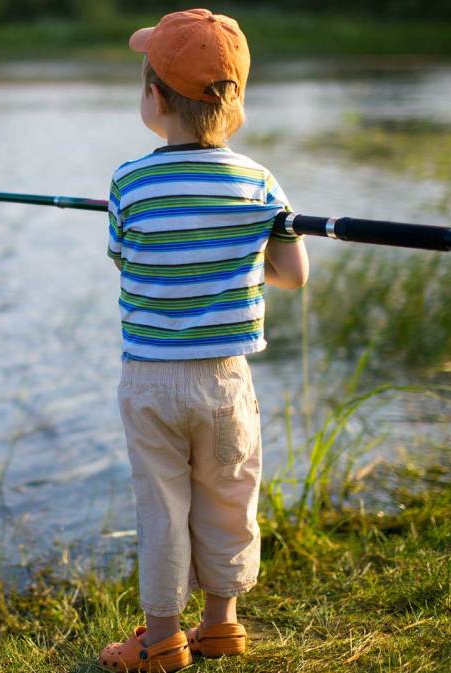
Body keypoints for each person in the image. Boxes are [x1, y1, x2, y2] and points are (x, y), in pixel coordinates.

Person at [96, 9, 309, 672]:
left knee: (161, 506)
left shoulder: (129, 182)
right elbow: (292, 277)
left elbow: (122, 257)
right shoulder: (259, 182)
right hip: (225, 380)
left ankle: (161, 639)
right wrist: (267, 238)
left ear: (154, 98)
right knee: (228, 496)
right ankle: (222, 623)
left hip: (151, 379)